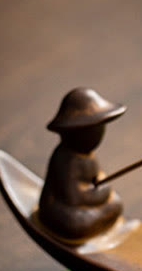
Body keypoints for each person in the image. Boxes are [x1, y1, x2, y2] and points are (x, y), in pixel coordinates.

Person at [38, 87, 125, 241]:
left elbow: (97, 177)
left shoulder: (87, 155)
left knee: (116, 203)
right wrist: (99, 189)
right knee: (77, 223)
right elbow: (75, 197)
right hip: (62, 209)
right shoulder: (65, 159)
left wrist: (102, 186)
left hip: (88, 204)